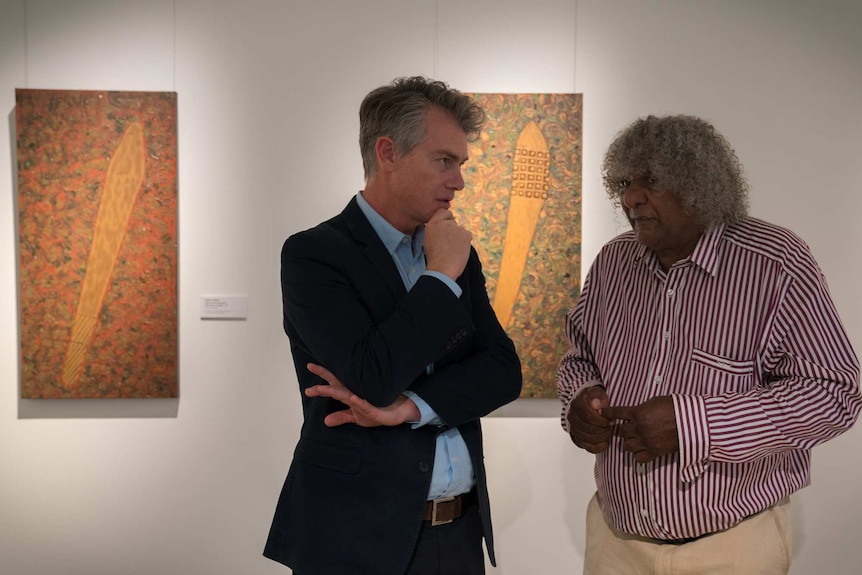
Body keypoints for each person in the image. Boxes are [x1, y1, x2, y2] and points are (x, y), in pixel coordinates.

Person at [557, 114, 861, 575]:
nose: (630, 198)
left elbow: (834, 392)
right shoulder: (613, 263)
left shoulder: (775, 263)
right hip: (616, 543)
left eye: (651, 182)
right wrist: (579, 399)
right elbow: (579, 357)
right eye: (624, 182)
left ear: (700, 185)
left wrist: (693, 424)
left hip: (732, 547)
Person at [263, 76, 523, 575]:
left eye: (461, 165)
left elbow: (503, 371)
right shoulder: (315, 254)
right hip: (353, 536)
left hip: (458, 534)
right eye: (444, 161)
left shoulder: (454, 255)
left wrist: (409, 408)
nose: (459, 181)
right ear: (388, 153)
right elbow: (370, 377)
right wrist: (441, 277)